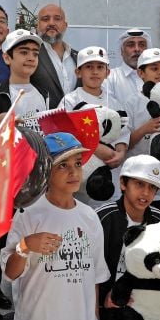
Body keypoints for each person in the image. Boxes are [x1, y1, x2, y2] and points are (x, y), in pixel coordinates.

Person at [1, 132, 110, 320]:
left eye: (77, 163)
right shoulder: (28, 213)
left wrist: (94, 318)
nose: (74, 172)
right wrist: (26, 246)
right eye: (62, 165)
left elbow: (94, 278)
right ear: (44, 171)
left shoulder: (90, 216)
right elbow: (10, 273)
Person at [95, 154, 160, 320]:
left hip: (146, 312)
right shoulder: (102, 218)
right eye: (139, 184)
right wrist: (101, 302)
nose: (145, 193)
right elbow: (90, 269)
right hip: (109, 312)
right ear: (123, 183)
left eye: (152, 187)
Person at [58, 45, 129, 206]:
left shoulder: (115, 102)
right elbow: (64, 133)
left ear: (107, 72)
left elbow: (124, 131)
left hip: (108, 171)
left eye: (100, 67)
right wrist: (96, 148)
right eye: (89, 67)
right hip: (78, 173)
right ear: (78, 72)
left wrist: (121, 151)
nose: (95, 72)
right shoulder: (70, 100)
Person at [0, 29, 49, 139]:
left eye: (35, 54)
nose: (31, 58)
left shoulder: (44, 94)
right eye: (24, 52)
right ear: (7, 58)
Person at [123, 48, 160, 158]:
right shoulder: (131, 103)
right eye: (154, 69)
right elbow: (125, 145)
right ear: (141, 73)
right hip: (138, 168)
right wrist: (145, 129)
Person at [31, 4, 78, 107]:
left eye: (57, 19)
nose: (51, 23)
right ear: (37, 26)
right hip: (43, 121)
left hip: (78, 121)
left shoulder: (78, 57)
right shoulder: (31, 56)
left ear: (65, 25)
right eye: (45, 19)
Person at [104, 28, 152, 106]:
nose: (137, 49)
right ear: (122, 51)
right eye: (131, 45)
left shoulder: (158, 77)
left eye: (141, 45)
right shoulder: (110, 78)